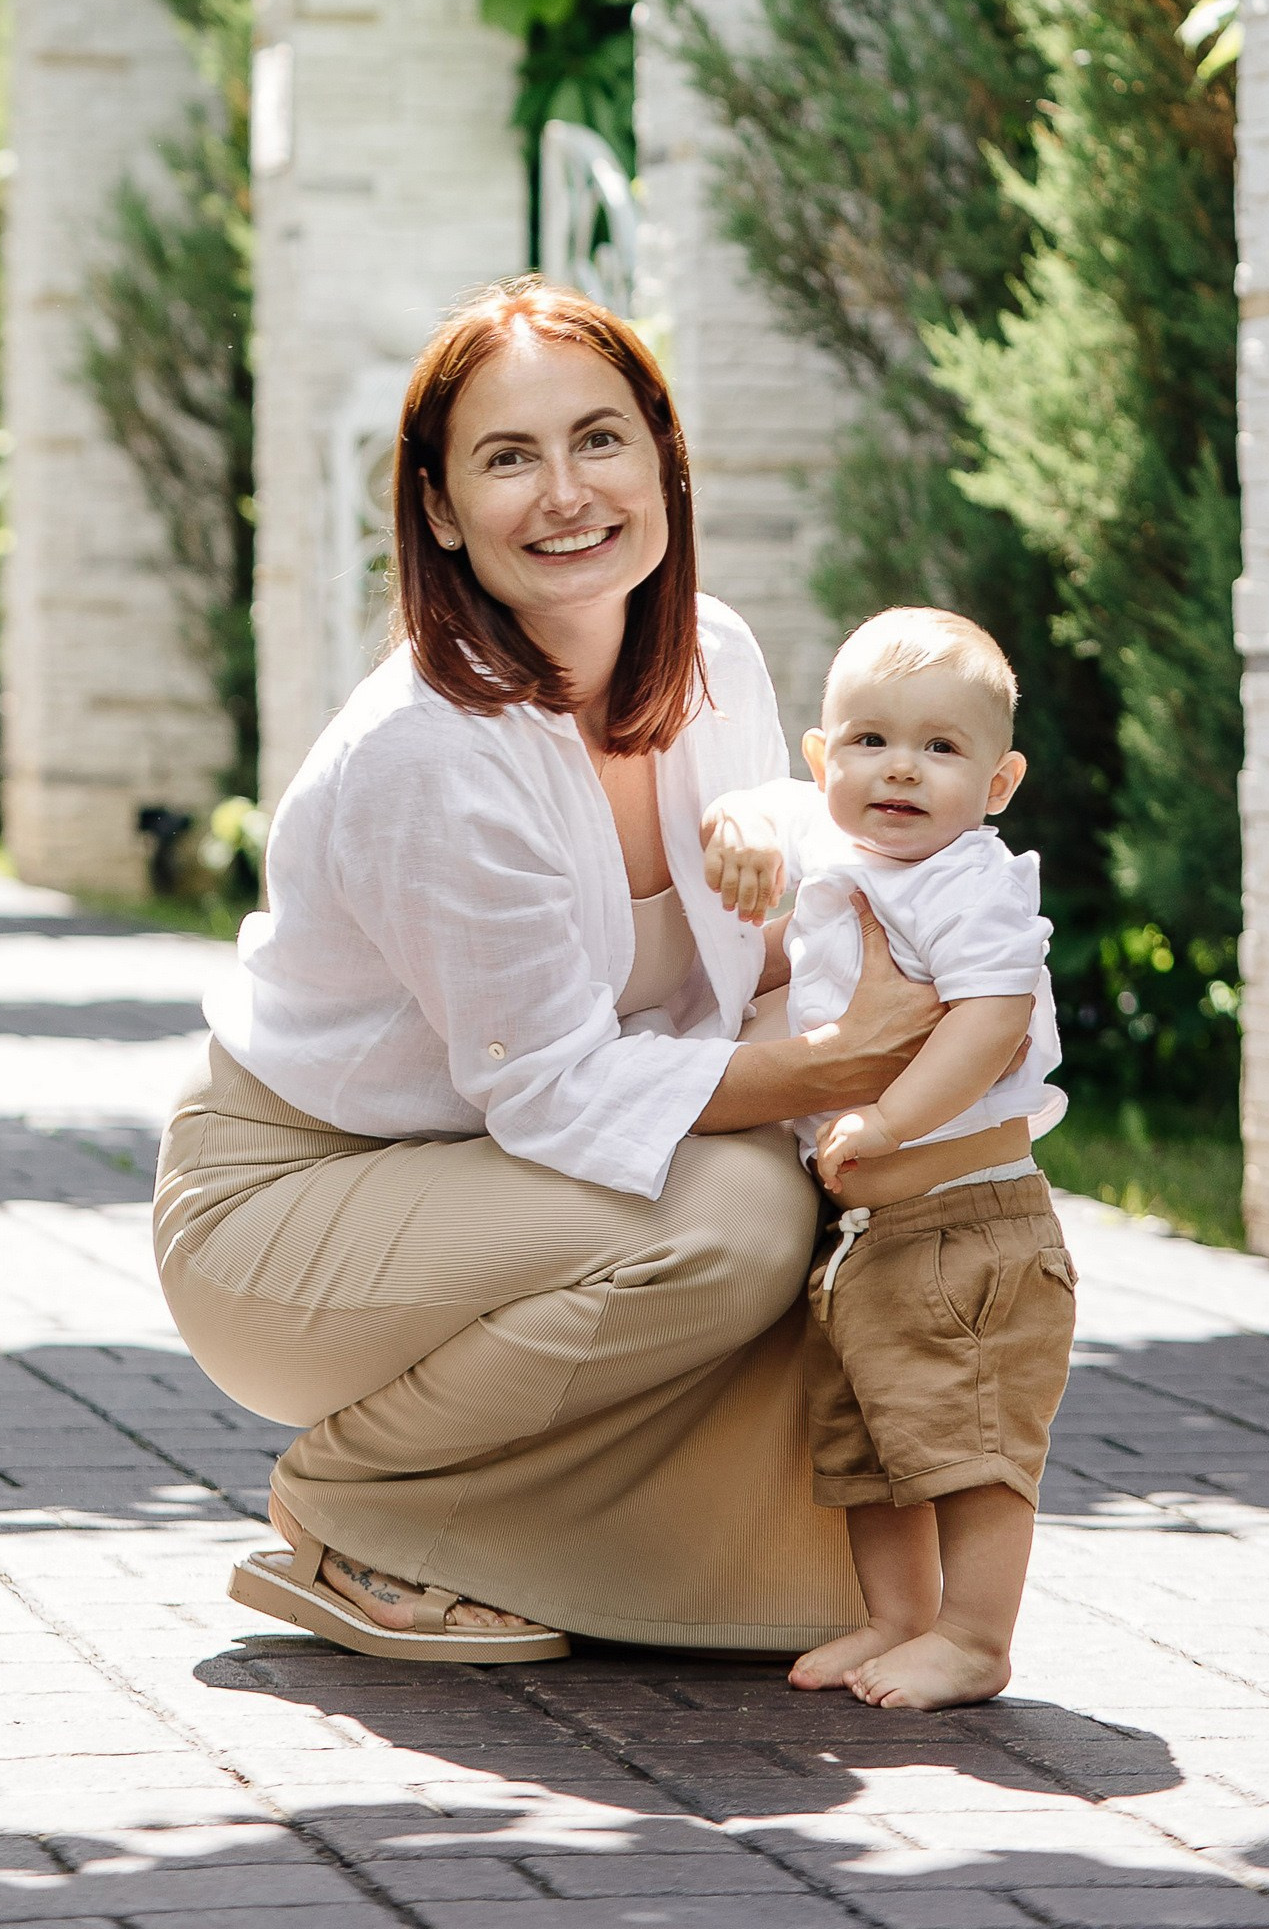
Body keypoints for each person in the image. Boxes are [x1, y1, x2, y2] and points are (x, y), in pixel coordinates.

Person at [151, 277, 943, 1663]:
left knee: (815, 1186)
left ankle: (548, 1550)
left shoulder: (712, 656)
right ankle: (353, 1508)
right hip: (290, 1206)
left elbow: (771, 959)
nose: (565, 492)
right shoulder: (431, 751)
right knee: (733, 1223)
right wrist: (840, 1066)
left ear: (662, 461)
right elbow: (566, 1102)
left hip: (499, 1184)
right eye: (508, 458)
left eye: (599, 440)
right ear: (443, 511)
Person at [699, 606, 1075, 1709]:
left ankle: (974, 1638)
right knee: (870, 1447)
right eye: (869, 740)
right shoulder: (838, 845)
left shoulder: (968, 880)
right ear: (826, 759)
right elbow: (768, 802)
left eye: (940, 748)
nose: (899, 770)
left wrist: (894, 1119)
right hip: (873, 1241)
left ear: (997, 786)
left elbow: (993, 1017)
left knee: (971, 1450)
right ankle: (898, 1619)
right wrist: (744, 822)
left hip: (971, 1226)